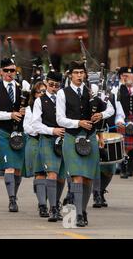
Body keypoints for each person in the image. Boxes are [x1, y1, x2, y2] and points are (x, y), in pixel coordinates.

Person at [56, 61, 114, 227]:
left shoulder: (93, 91)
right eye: (76, 73)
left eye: (81, 73)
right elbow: (60, 119)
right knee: (77, 177)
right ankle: (78, 214)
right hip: (72, 137)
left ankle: (83, 209)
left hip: (90, 137)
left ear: (85, 74)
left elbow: (110, 109)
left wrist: (101, 115)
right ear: (70, 75)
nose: (79, 76)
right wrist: (78, 123)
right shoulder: (62, 93)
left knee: (88, 178)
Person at [0, 58, 27, 212]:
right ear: (1, 72)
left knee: (18, 169)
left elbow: (33, 106)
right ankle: (11, 199)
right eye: (6, 70)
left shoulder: (23, 86)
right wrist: (11, 115)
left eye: (12, 70)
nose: (9, 73)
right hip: (4, 131)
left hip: (21, 131)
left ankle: (14, 195)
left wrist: (26, 111)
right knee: (9, 167)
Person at [32, 71, 66, 221]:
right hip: (48, 139)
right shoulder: (40, 101)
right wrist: (53, 130)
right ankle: (52, 209)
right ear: (46, 83)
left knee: (62, 177)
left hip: (65, 140)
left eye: (57, 85)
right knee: (51, 173)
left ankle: (56, 204)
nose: (53, 88)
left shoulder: (65, 99)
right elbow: (35, 125)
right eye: (51, 84)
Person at [25, 80, 50, 218]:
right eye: (39, 91)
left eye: (44, 91)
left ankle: (52, 202)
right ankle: (42, 205)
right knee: (40, 173)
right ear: (34, 94)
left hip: (51, 141)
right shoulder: (30, 108)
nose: (42, 94)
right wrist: (40, 130)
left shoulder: (54, 106)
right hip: (35, 141)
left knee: (53, 175)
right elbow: (27, 127)